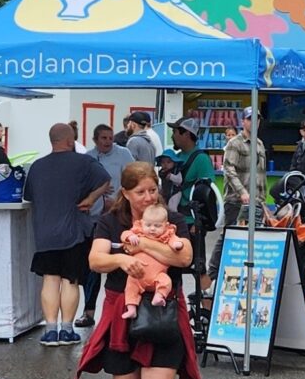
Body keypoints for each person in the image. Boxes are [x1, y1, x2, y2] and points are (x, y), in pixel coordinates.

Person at [75, 162, 202, 379]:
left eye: (152, 190)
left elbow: (184, 258)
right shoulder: (110, 221)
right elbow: (95, 260)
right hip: (123, 310)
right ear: (127, 193)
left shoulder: (171, 219)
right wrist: (120, 260)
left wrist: (143, 246)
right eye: (141, 192)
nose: (148, 197)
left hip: (163, 310)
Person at [25, 123, 111, 346]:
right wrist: (91, 199)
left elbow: (29, 197)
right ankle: (66, 330)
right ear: (70, 141)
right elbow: (105, 180)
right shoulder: (83, 162)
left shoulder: (37, 166)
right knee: (70, 281)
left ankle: (50, 331)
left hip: (44, 233)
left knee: (50, 279)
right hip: (73, 232)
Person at [79, 125, 136, 328]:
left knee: (122, 265)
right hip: (93, 218)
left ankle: (127, 308)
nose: (108, 141)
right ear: (95, 139)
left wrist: (118, 199)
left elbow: (133, 179)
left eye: (110, 138)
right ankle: (89, 311)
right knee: (92, 267)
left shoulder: (124, 154)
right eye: (103, 138)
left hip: (119, 216)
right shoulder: (88, 157)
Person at [209, 108, 266, 284]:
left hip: (256, 200)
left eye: (257, 119)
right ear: (243, 122)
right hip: (236, 199)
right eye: (250, 119)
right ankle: (213, 271)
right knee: (230, 233)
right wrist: (242, 192)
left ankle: (242, 270)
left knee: (251, 236)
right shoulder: (235, 143)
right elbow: (228, 169)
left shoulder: (259, 143)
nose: (253, 122)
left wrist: (262, 200)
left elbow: (260, 174)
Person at [171, 117, 216, 294]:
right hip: (175, 219)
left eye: (175, 131)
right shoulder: (174, 157)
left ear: (186, 134)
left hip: (191, 221)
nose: (173, 135)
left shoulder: (201, 159)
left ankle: (205, 305)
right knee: (174, 265)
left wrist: (199, 223)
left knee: (199, 267)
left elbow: (206, 193)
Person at [120, 204, 185, 320]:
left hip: (157, 275)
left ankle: (159, 296)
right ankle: (131, 308)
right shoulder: (138, 231)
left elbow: (174, 240)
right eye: (148, 225)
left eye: (157, 226)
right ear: (141, 223)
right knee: (130, 286)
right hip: (137, 274)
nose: (152, 229)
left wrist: (176, 244)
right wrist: (130, 237)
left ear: (166, 226)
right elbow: (124, 234)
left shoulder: (167, 235)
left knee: (166, 281)